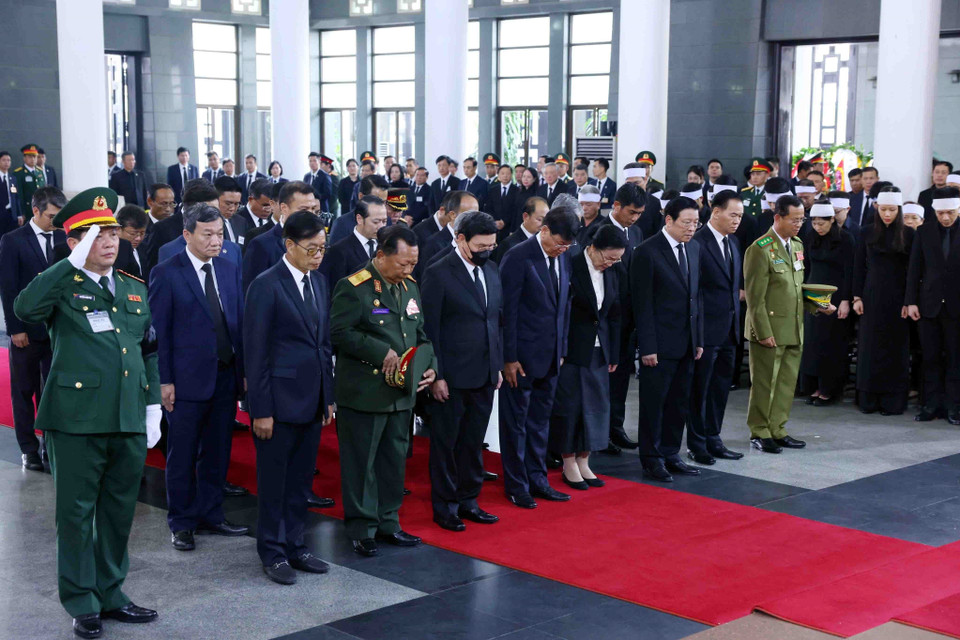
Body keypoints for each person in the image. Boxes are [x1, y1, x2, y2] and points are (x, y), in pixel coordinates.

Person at [14, 188, 161, 639]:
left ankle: (112, 593)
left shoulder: (134, 288)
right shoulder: (61, 284)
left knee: (119, 513)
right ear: (76, 242)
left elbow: (148, 350)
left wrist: (152, 404)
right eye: (98, 235)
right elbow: (24, 309)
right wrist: (68, 265)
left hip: (127, 417)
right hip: (76, 420)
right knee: (76, 515)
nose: (111, 241)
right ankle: (82, 601)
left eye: (114, 233)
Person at [330, 225, 437, 556]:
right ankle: (363, 528)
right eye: (403, 263)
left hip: (400, 395)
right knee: (362, 464)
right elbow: (338, 333)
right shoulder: (354, 287)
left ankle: (389, 522)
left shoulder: (410, 287)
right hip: (364, 392)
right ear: (380, 256)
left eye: (413, 264)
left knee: (394, 462)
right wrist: (379, 351)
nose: (408, 270)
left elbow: (421, 334)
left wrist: (430, 366)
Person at [149, 203, 249, 552]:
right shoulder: (167, 272)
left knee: (218, 450)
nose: (215, 241)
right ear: (186, 235)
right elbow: (161, 333)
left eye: (220, 234)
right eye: (207, 234)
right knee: (182, 453)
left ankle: (211, 513)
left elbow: (236, 321)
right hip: (186, 379)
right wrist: (165, 381)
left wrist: (244, 371)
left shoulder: (229, 266)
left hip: (225, 373)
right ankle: (182, 522)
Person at [244, 211, 335, 584]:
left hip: (312, 399)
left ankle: (297, 545)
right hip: (277, 403)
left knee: (300, 482)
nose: (318, 256)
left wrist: (327, 397)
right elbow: (256, 352)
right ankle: (272, 551)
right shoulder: (266, 285)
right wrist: (260, 410)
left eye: (322, 249)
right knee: (274, 482)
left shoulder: (320, 282)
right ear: (289, 245)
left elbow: (323, 344)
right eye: (311, 249)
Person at [422, 212, 503, 531]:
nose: (487, 251)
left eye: (491, 245)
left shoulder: (492, 270)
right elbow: (430, 328)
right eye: (480, 246)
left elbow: (496, 320)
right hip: (451, 376)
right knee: (446, 444)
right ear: (460, 239)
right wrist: (436, 374)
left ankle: (469, 500)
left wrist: (496, 364)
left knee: (473, 442)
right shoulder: (439, 272)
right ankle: (444, 506)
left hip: (485, 372)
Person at [498, 206, 580, 508]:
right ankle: (516, 485)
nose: (562, 249)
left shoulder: (565, 256)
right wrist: (508, 357)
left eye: (567, 246)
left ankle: (538, 479)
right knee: (516, 423)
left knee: (540, 423)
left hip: (551, 357)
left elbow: (564, 307)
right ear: (543, 230)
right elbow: (508, 312)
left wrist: (562, 349)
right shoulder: (518, 256)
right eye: (558, 243)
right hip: (520, 359)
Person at [744, 195, 835, 454]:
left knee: (785, 384)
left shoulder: (796, 245)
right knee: (764, 383)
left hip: (794, 327)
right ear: (778, 217)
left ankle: (778, 429)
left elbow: (795, 289)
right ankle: (760, 431)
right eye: (794, 220)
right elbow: (755, 298)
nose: (799, 224)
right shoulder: (760, 249)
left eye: (801, 219)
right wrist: (762, 332)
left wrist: (817, 305)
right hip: (769, 329)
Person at [631, 197, 703, 481]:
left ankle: (672, 452)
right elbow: (642, 304)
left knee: (679, 401)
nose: (691, 228)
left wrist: (699, 339)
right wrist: (647, 346)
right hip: (659, 344)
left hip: (687, 341)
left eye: (696, 223)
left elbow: (696, 298)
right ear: (668, 220)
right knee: (654, 402)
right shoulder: (647, 251)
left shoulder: (694, 248)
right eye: (686, 223)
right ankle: (651, 457)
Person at [550, 224, 624, 489]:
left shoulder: (613, 270)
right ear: (593, 248)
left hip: (599, 349)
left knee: (596, 406)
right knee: (570, 407)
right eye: (608, 257)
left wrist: (613, 351)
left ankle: (585, 459)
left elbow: (615, 313)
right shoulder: (569, 263)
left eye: (617, 259)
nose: (612, 263)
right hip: (571, 349)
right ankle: (568, 460)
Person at [0, 186, 66, 471]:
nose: (55, 221)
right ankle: (28, 448)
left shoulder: (65, 238)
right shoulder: (13, 240)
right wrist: (15, 329)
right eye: (51, 215)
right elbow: (9, 287)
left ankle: (50, 446)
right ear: (35, 210)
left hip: (58, 331)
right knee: (23, 391)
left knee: (53, 392)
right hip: (26, 331)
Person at [687, 190, 745, 464]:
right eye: (733, 214)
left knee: (720, 389)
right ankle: (697, 444)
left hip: (729, 330)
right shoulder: (698, 242)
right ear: (716, 211)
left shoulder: (732, 243)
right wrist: (696, 334)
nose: (737, 221)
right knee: (700, 390)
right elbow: (694, 293)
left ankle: (714, 438)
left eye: (741, 216)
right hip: (706, 332)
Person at [853, 187, 914, 415]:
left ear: (898, 210)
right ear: (877, 208)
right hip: (871, 296)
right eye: (883, 209)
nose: (887, 214)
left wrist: (909, 301)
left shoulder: (909, 234)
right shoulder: (866, 232)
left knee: (896, 349)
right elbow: (858, 266)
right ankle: (868, 399)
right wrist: (856, 296)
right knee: (870, 347)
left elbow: (912, 271)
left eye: (892, 210)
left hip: (899, 298)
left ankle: (893, 401)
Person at [906, 186, 960, 424]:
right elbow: (914, 269)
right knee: (930, 358)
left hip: (957, 307)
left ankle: (954, 407)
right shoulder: (924, 232)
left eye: (951, 212)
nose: (946, 217)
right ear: (934, 212)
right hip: (928, 305)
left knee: (955, 359)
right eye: (941, 213)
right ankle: (930, 405)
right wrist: (911, 301)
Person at [800, 202, 855, 407]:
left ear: (832, 220)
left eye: (822, 223)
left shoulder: (846, 239)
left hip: (836, 294)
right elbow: (806, 267)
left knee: (831, 343)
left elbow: (850, 271)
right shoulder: (810, 237)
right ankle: (813, 386)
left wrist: (845, 300)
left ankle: (829, 389)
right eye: (814, 222)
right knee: (812, 343)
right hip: (813, 293)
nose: (818, 227)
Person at [243, 181, 318, 293]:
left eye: (313, 209)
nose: (310, 214)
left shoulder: (318, 243)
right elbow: (253, 292)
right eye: (304, 210)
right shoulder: (261, 245)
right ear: (283, 208)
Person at [320, 196, 388, 289]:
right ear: (359, 219)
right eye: (376, 222)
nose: (381, 227)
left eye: (384, 221)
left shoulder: (387, 246)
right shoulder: (339, 251)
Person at [330, 174, 390, 246]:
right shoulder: (342, 225)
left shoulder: (388, 223)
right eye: (376, 201)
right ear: (361, 196)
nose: (381, 206)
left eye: (384, 202)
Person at [492, 196, 547, 264]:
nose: (543, 224)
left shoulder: (543, 241)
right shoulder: (509, 244)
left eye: (546, 220)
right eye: (539, 219)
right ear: (525, 216)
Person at [13, 144, 45, 223]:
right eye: (30, 156)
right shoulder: (18, 173)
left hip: (40, 209)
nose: (33, 159)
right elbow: (19, 195)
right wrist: (21, 212)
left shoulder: (40, 171)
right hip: (27, 210)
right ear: (24, 158)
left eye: (34, 156)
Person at [484, 164, 518, 238]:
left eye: (508, 173)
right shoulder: (493, 190)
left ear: (511, 175)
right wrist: (495, 221)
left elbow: (515, 210)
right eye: (502, 173)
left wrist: (504, 222)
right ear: (498, 175)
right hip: (494, 227)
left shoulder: (517, 190)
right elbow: (488, 208)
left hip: (509, 228)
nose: (505, 176)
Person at [115, 204, 149, 278]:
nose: (138, 238)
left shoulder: (146, 249)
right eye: (133, 234)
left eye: (142, 233)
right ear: (118, 229)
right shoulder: (112, 253)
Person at [215, 176, 250, 246]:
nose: (232, 208)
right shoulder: (207, 223)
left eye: (236, 204)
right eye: (228, 204)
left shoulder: (241, 222)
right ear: (215, 199)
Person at [0, 150, 18, 236]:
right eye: (4, 160)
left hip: (11, 214)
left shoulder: (12, 178)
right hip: (1, 213)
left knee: (11, 236)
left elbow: (16, 197)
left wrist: (19, 214)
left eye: (8, 160)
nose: (6, 162)